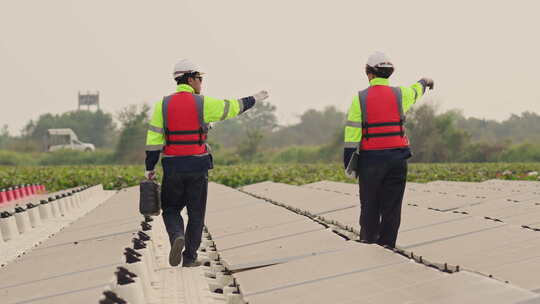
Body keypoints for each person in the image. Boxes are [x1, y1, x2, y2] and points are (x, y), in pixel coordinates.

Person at [145, 59, 269, 267]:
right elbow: (233, 107)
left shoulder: (162, 105)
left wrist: (150, 168)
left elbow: (153, 142)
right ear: (190, 78)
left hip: (173, 166)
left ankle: (176, 235)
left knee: (171, 209)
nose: (201, 83)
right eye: (200, 79)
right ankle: (190, 257)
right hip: (198, 165)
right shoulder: (203, 103)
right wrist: (255, 98)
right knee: (196, 213)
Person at [343, 51, 434, 248]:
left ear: (369, 74)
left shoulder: (360, 99)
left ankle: (369, 243)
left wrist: (349, 165)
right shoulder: (400, 94)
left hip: (370, 162)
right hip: (397, 159)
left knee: (370, 206)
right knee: (392, 207)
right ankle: (388, 246)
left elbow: (352, 137)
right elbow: (416, 90)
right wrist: (425, 81)